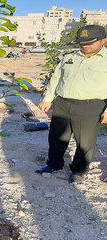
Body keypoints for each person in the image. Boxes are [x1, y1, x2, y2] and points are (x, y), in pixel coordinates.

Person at [35, 25, 107, 183]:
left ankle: (79, 170)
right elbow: (56, 77)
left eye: (90, 42)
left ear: (104, 40)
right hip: (63, 103)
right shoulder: (70, 57)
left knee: (85, 141)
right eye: (82, 42)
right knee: (56, 137)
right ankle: (54, 164)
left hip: (91, 105)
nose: (85, 45)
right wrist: (48, 97)